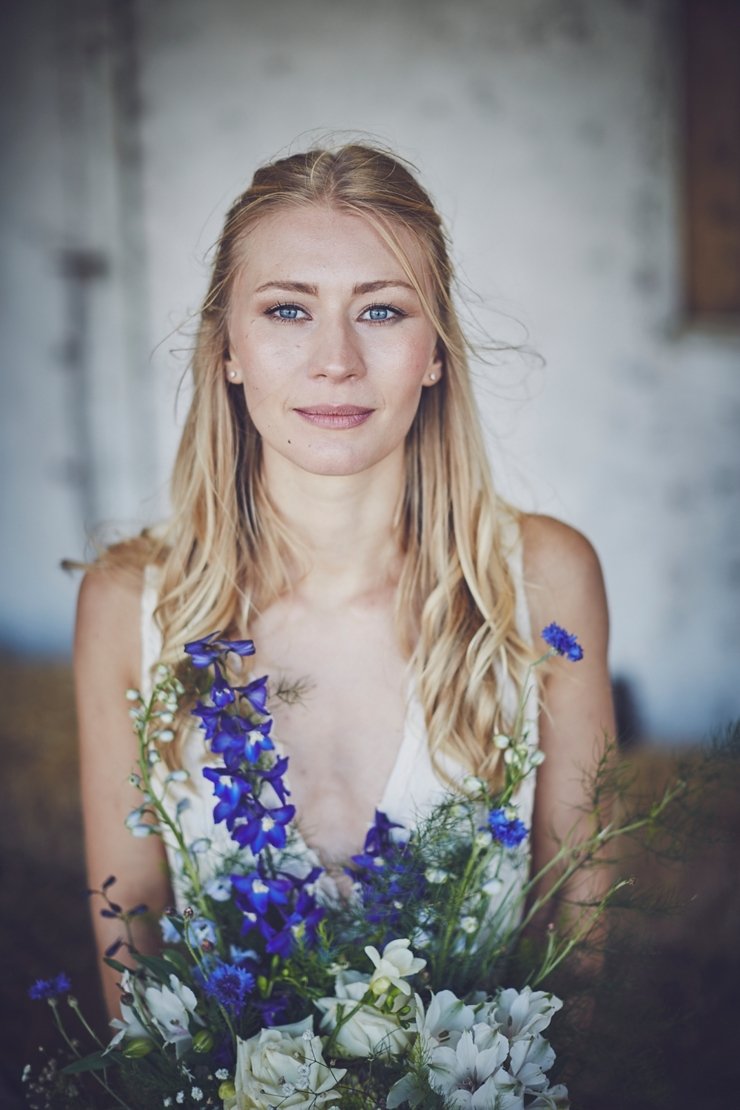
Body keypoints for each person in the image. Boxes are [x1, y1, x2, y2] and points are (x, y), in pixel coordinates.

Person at [74, 143, 615, 1020]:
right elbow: (128, 931)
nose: (336, 360)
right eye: (288, 309)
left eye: (382, 311)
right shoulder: (126, 604)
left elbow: (582, 928)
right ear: (230, 351)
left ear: (434, 352)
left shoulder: (544, 579)